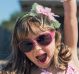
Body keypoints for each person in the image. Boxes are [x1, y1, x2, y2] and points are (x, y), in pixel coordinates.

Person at [1, 0, 79, 74]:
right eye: (27, 44)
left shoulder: (70, 57)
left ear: (55, 36)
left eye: (43, 39)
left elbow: (71, 18)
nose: (37, 48)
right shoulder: (30, 72)